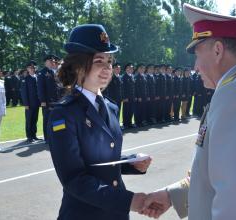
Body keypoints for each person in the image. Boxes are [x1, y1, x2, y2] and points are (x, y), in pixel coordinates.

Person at [142, 3, 236, 220]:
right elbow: (230, 175)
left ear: (217, 50)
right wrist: (172, 195)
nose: (195, 66)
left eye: (197, 54)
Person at [47, 24, 152, 220]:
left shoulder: (110, 107)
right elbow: (74, 178)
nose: (107, 68)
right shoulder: (64, 114)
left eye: (109, 61)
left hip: (115, 214)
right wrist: (128, 201)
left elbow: (98, 161)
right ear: (78, 66)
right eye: (98, 61)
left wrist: (130, 163)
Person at [37, 54, 59, 144]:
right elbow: (40, 88)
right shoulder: (42, 73)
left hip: (56, 100)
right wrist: (42, 101)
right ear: (46, 62)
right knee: (47, 119)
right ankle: (47, 137)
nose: (53, 62)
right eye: (51, 61)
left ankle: (56, 135)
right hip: (47, 101)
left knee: (56, 118)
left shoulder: (53, 72)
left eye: (53, 61)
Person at [20, 60, 41, 143]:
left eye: (33, 67)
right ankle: (29, 136)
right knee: (29, 120)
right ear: (27, 69)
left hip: (36, 103)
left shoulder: (37, 77)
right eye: (30, 68)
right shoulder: (25, 79)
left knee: (35, 119)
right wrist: (26, 104)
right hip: (29, 103)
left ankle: (34, 135)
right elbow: (24, 93)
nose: (32, 69)